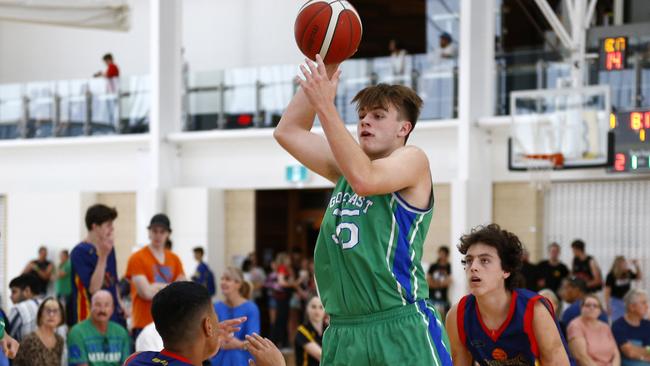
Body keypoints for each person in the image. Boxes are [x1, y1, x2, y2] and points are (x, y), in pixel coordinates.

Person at [274, 55, 452, 365]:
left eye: (379, 115)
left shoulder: (413, 159)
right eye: (362, 115)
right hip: (344, 331)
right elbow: (288, 131)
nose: (365, 121)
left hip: (400, 325)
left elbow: (365, 180)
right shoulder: (348, 168)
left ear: (404, 128)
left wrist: (326, 107)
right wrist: (324, 69)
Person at [446, 224, 571, 365]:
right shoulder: (457, 315)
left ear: (506, 270)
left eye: (484, 260)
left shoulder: (535, 311)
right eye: (469, 260)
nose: (473, 267)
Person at [123, 281, 285, 366]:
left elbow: (181, 358)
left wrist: (207, 341)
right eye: (214, 314)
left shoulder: (135, 360)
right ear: (208, 326)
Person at [126, 213, 185, 341]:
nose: (158, 235)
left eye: (162, 232)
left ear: (168, 234)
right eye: (155, 231)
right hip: (143, 323)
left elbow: (182, 291)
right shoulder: (137, 258)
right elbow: (146, 293)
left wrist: (155, 287)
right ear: (149, 233)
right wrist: (171, 287)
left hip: (169, 324)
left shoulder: (175, 259)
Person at [70, 204, 125, 327]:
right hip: (89, 316)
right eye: (108, 225)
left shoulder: (109, 248)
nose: (112, 229)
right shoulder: (79, 252)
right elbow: (94, 288)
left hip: (113, 314)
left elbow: (113, 282)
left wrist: (120, 305)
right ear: (95, 226)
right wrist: (103, 256)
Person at [211, 267, 260, 366]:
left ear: (239, 284)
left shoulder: (251, 308)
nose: (223, 282)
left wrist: (239, 344)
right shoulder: (215, 307)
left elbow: (254, 342)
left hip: (243, 357)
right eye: (222, 279)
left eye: (228, 279)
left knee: (233, 354)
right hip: (218, 356)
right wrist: (219, 341)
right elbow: (210, 336)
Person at [67, 290, 131, 366]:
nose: (102, 310)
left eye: (106, 305)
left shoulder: (121, 332)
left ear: (112, 309)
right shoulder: (77, 332)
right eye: (98, 305)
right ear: (90, 307)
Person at [567, 294, 620, 366]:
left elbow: (616, 354)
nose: (592, 308)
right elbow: (581, 357)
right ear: (581, 308)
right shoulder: (575, 325)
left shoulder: (605, 327)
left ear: (600, 311)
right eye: (588, 305)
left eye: (595, 306)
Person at [13, 297, 65, 366]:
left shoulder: (60, 341)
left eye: (55, 311)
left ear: (61, 317)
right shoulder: (29, 340)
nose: (51, 315)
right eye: (48, 311)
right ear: (40, 315)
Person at [612, 289, 650, 365]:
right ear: (632, 307)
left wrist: (636, 348)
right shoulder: (618, 325)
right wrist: (644, 354)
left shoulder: (647, 324)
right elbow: (630, 353)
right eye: (643, 303)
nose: (647, 306)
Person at [605, 256, 642, 322]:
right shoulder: (611, 275)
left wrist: (636, 265)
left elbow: (639, 277)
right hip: (616, 301)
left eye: (625, 263)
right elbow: (607, 292)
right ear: (618, 264)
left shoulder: (628, 273)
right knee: (618, 320)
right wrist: (608, 306)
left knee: (629, 320)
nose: (625, 265)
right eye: (623, 263)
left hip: (627, 301)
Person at [7, 274, 41, 341]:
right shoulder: (49, 304)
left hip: (23, 350)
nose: (10, 296)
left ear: (27, 291)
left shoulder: (19, 309)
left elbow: (4, 336)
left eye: (14, 292)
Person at [294, 296, 326, 366]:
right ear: (307, 309)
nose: (317, 311)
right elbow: (321, 356)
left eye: (321, 307)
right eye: (313, 307)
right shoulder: (302, 331)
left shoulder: (328, 329)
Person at [427, 246, 452, 316]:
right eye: (440, 253)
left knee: (444, 315)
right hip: (431, 296)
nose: (441, 255)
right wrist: (438, 284)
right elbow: (428, 280)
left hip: (443, 297)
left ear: (447, 255)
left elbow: (448, 281)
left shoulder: (449, 266)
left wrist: (436, 283)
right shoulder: (433, 266)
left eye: (443, 254)